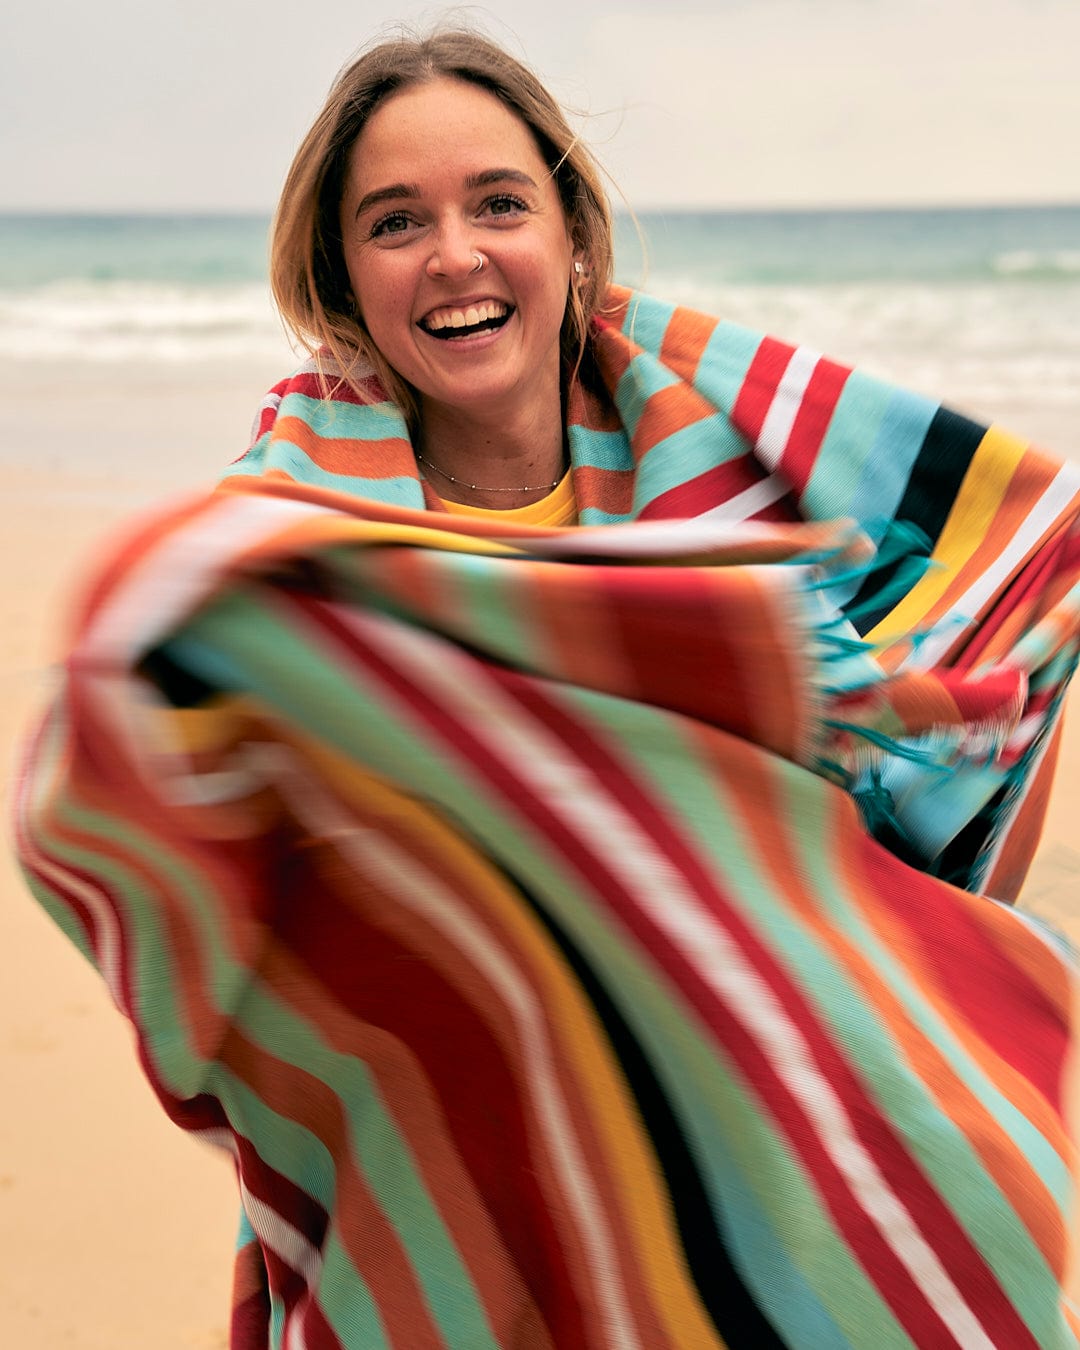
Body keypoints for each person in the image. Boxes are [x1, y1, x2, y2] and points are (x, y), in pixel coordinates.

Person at [16, 26, 1080, 1350]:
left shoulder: (716, 427)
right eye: (395, 220)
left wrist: (909, 901)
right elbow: (134, 745)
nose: (455, 253)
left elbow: (1020, 562)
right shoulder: (300, 529)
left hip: (743, 1129)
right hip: (432, 1146)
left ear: (570, 233)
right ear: (344, 276)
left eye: (498, 203)